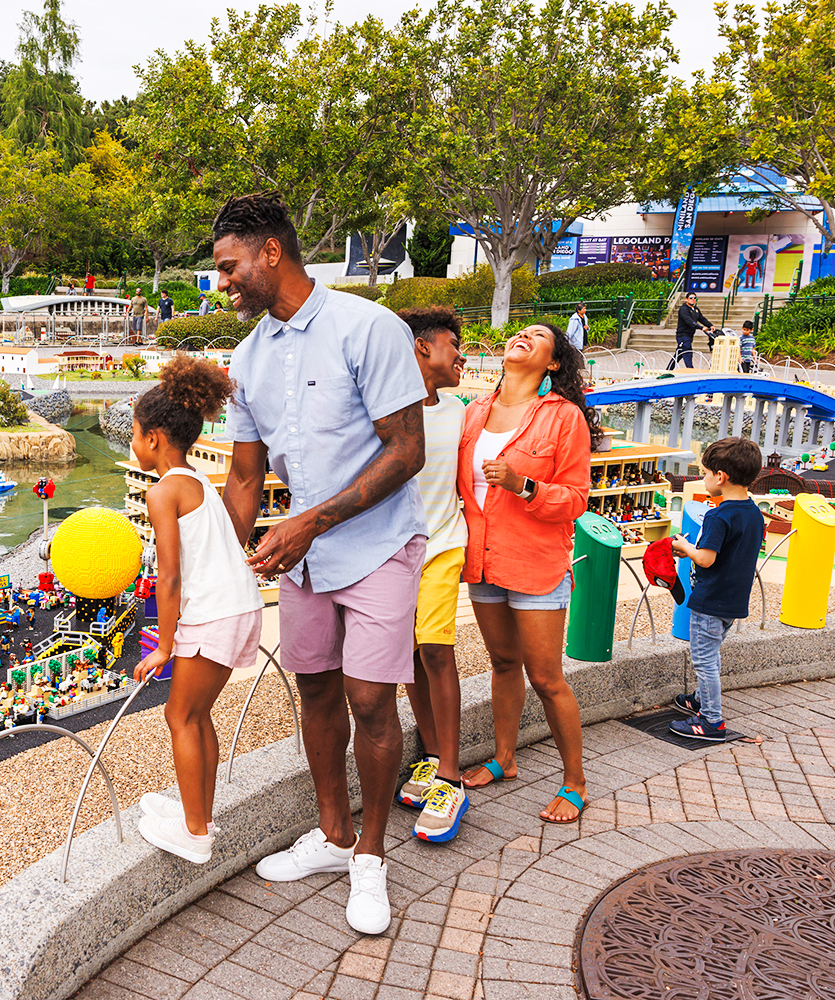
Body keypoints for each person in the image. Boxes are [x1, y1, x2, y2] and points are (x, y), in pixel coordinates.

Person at [219, 193, 428, 935]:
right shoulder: (244, 360)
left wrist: (311, 521)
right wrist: (217, 561)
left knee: (371, 700)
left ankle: (371, 855)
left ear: (271, 251)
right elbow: (245, 479)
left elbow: (409, 451)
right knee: (314, 694)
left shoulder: (367, 326)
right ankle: (334, 835)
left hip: (376, 546)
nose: (224, 283)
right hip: (305, 562)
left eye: (230, 266)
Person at [458, 322, 600, 825]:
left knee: (546, 676)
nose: (523, 336)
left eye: (539, 337)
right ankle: (505, 756)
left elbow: (576, 499)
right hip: (482, 560)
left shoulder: (564, 419)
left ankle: (575, 782)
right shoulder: (473, 412)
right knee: (501, 661)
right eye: (519, 331)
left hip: (535, 562)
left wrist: (525, 486)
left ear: (554, 363)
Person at [130, 357, 265, 864]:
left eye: (137, 434)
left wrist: (163, 645)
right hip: (237, 608)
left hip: (212, 614)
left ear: (156, 439)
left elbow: (169, 576)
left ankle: (195, 835)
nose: (134, 442)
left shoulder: (163, 491)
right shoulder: (200, 480)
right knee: (198, 713)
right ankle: (199, 813)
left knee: (179, 714)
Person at [394, 306, 470, 842]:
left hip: (444, 544)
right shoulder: (387, 407)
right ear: (422, 349)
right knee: (410, 658)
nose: (461, 355)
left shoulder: (461, 411)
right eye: (452, 344)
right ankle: (430, 750)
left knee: (437, 648)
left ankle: (450, 774)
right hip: (394, 553)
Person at [669, 437, 763, 742]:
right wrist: (695, 551)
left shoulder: (718, 515)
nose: (703, 478)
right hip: (733, 601)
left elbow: (707, 559)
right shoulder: (753, 513)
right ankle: (700, 699)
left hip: (710, 601)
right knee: (711, 653)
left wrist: (684, 546)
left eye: (705, 473)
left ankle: (711, 720)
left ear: (720, 476)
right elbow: (730, 553)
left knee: (704, 659)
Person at [668, 292, 714, 370]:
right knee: (687, 352)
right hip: (682, 335)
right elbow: (689, 321)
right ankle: (690, 370)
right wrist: (700, 327)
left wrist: (710, 325)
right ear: (687, 299)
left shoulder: (696, 309)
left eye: (695, 298)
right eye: (691, 298)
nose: (693, 300)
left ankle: (669, 369)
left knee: (679, 353)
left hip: (690, 335)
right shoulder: (683, 309)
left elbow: (702, 319)